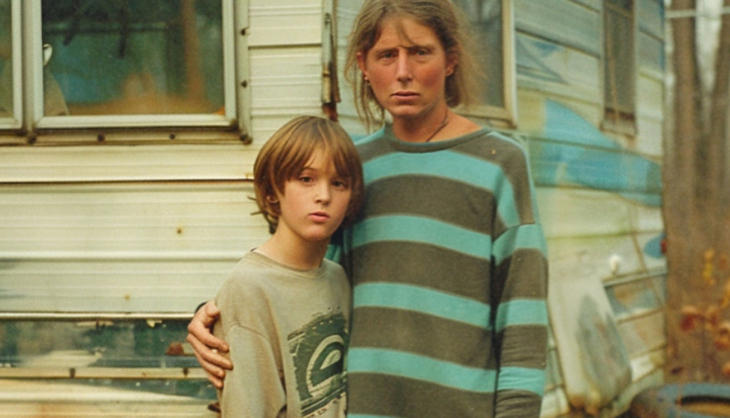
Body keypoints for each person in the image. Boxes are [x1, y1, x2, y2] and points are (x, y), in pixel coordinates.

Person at [188, 1, 549, 417]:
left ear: (450, 59)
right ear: (363, 64)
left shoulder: (499, 163)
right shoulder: (350, 171)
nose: (403, 72)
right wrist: (215, 317)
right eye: (386, 55)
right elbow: (300, 276)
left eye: (420, 52)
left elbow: (523, 318)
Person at [210, 115, 364, 417]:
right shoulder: (248, 287)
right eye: (306, 179)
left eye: (338, 183)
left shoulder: (336, 277)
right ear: (272, 191)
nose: (324, 196)